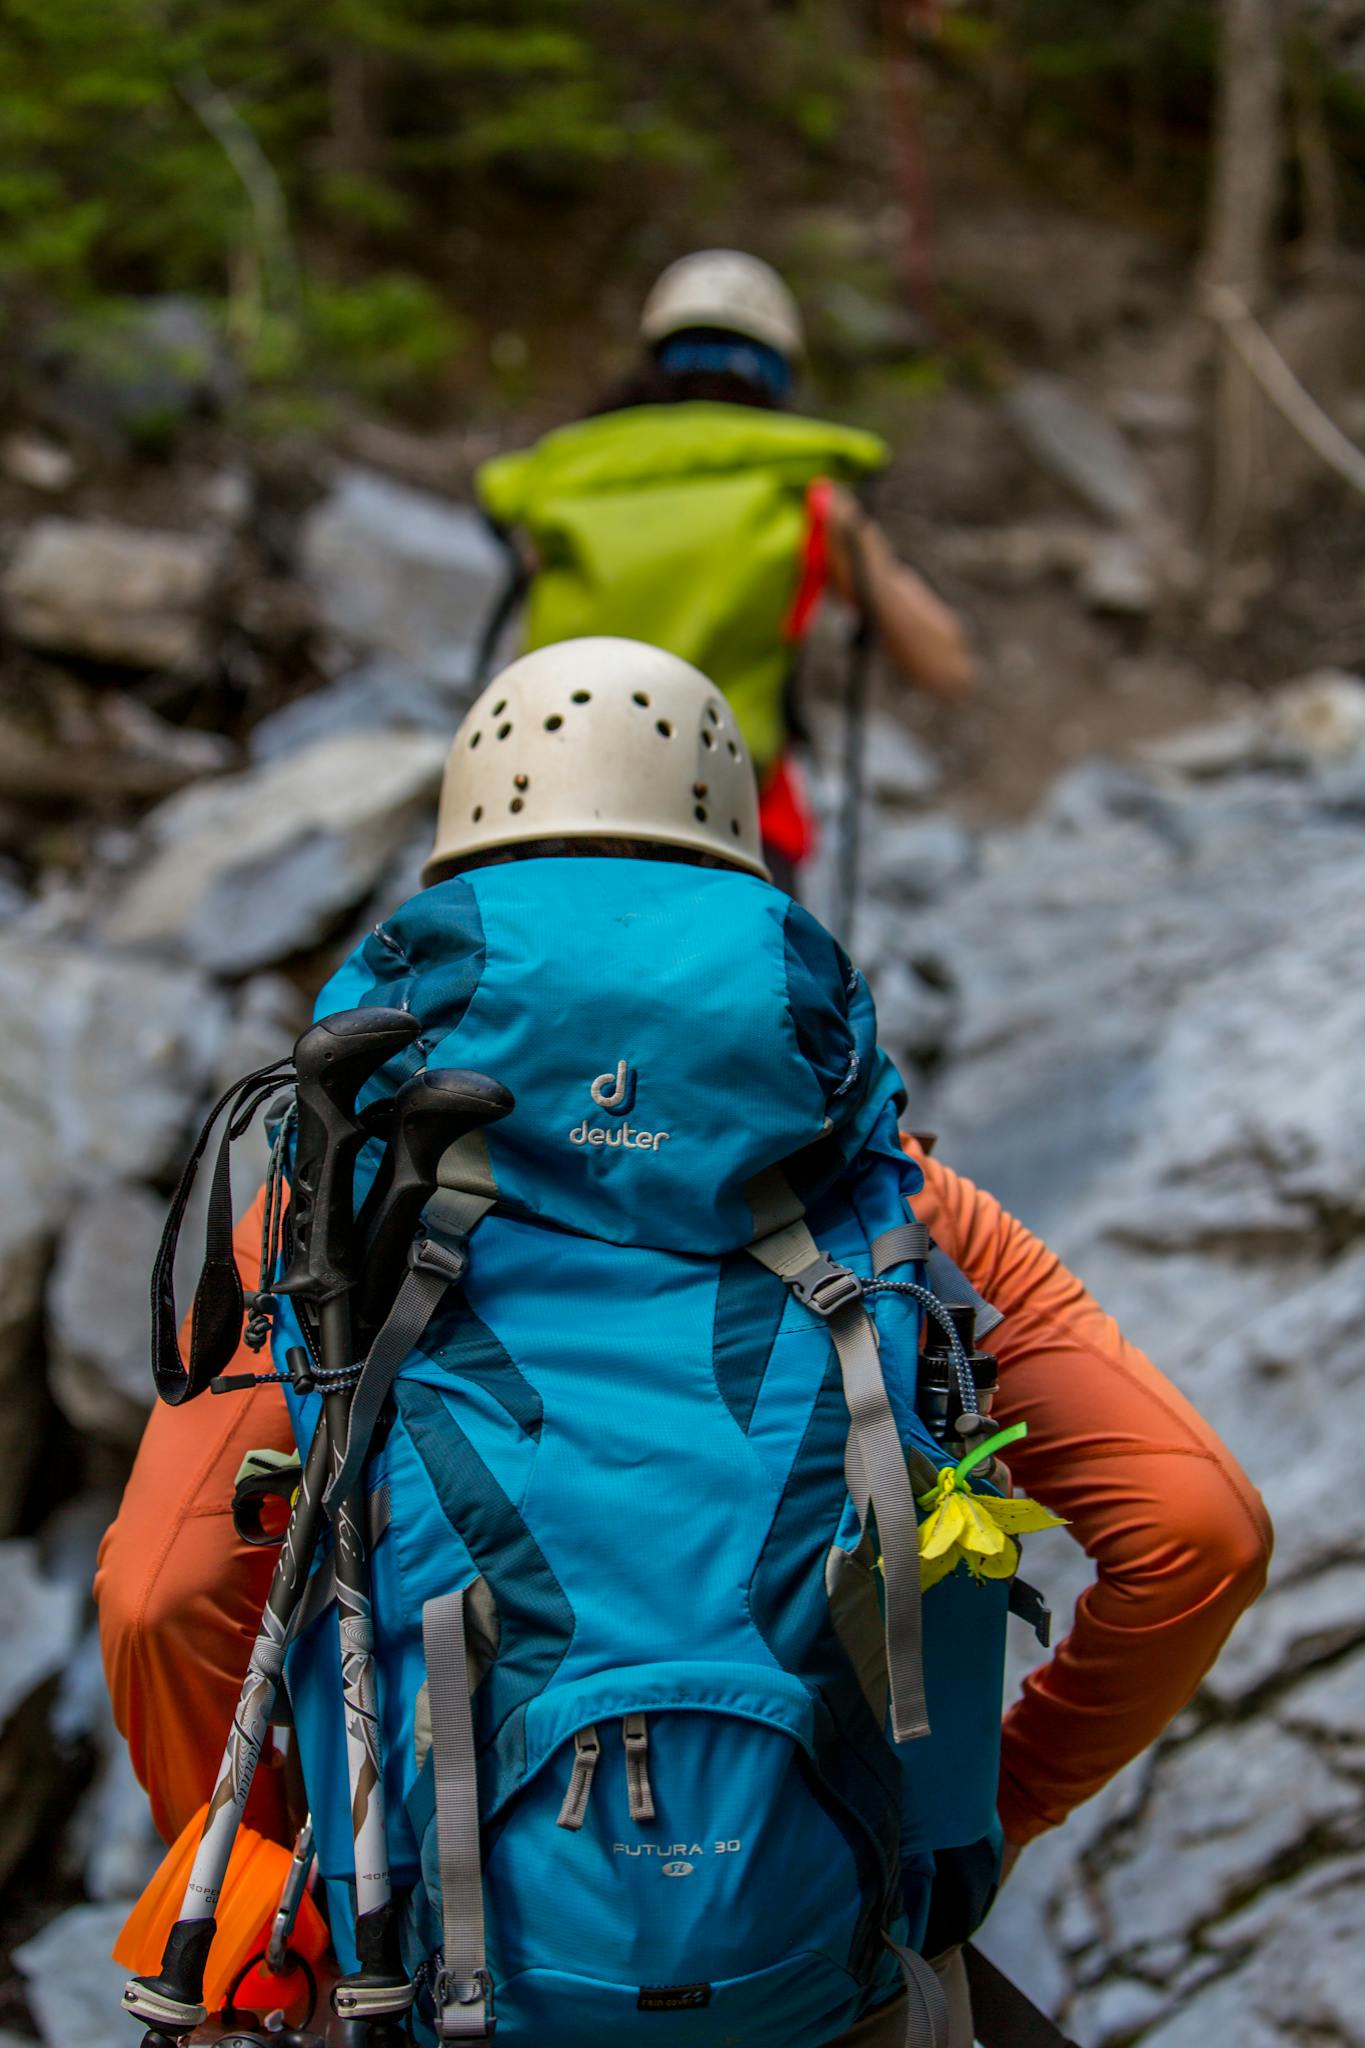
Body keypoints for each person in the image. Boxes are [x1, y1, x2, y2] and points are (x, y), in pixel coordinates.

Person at [97, 641, 1271, 2048]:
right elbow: (1200, 1532)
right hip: (820, 1963)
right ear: (736, 849)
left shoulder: (340, 1193)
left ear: (464, 844)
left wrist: (276, 1863)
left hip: (430, 1969)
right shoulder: (891, 1200)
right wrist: (972, 1819)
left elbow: (160, 1598)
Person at [475, 250, 972, 888]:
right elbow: (945, 667)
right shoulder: (807, 499)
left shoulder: (560, 488)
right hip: (733, 840)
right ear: (779, 375)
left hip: (542, 824)